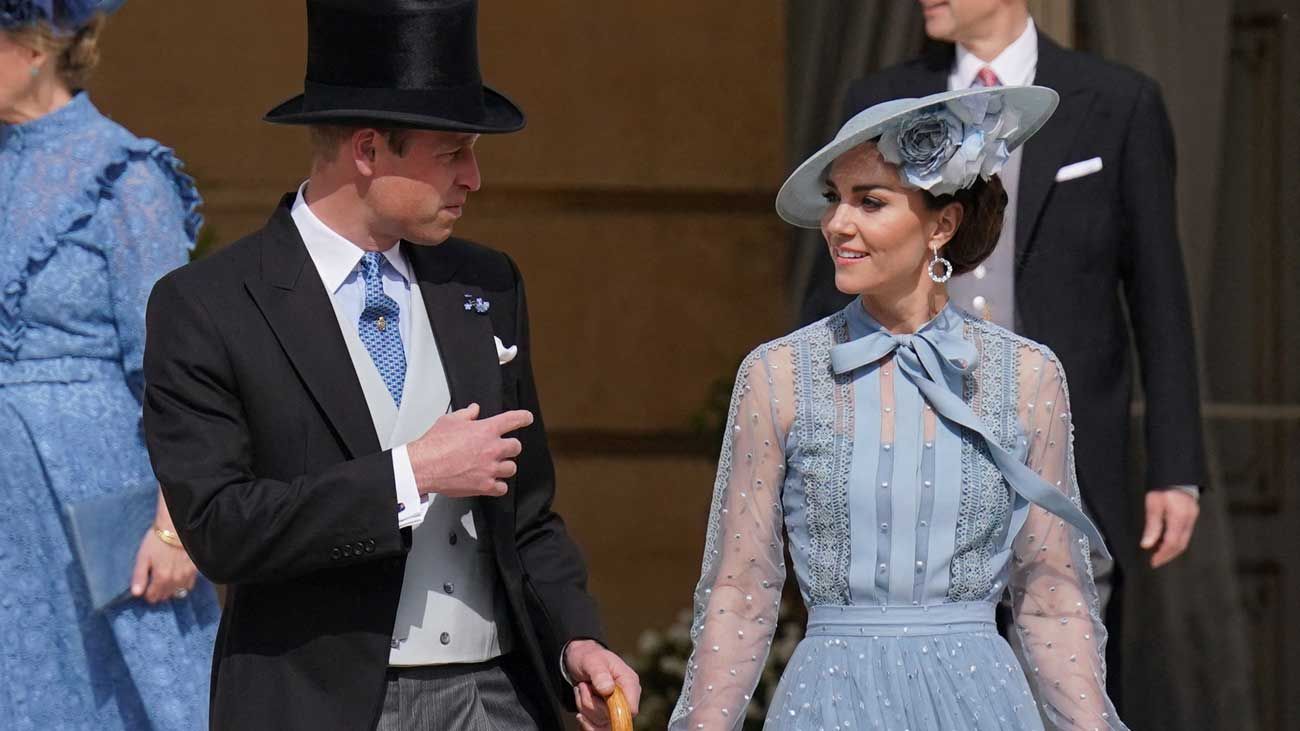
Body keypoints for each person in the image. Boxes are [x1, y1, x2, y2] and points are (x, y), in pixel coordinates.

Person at [141, 1, 638, 729]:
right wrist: (411, 472)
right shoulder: (209, 305)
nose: (474, 178)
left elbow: (527, 512)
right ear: (368, 151)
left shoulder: (487, 284)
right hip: (322, 703)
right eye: (453, 152)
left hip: (498, 699)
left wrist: (576, 638)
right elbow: (220, 528)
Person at [672, 86, 1127, 730]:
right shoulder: (777, 375)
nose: (837, 224)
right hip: (829, 703)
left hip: (981, 706)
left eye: (871, 201)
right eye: (835, 199)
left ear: (941, 224)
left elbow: (1051, 596)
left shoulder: (1028, 376)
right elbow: (740, 590)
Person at [804, 0, 1208, 698]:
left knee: (1061, 679)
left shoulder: (1118, 101)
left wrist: (1175, 466)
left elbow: (1159, 296)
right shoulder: (878, 100)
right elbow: (833, 290)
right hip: (907, 451)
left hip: (1064, 460)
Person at [0, 0, 219, 728]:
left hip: (90, 510)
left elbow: (179, 374)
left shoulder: (125, 177)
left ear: (35, 45)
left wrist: (174, 524)